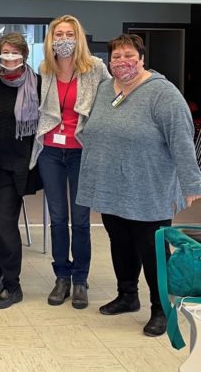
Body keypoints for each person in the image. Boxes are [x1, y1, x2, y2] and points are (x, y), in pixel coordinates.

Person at [77, 33, 201, 336]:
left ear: (142, 58)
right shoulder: (107, 88)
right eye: (116, 56)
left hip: (148, 187)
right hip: (112, 185)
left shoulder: (163, 93)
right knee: (119, 244)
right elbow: (95, 131)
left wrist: (192, 185)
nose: (122, 61)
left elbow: (182, 142)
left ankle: (161, 308)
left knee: (152, 250)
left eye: (129, 55)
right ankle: (127, 296)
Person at [30, 15, 110, 310]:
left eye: (69, 33)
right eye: (58, 34)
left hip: (81, 151)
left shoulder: (95, 69)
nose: (64, 39)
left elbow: (110, 102)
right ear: (51, 38)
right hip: (50, 150)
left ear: (79, 38)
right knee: (58, 218)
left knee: (80, 220)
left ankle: (80, 280)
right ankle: (61, 276)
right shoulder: (44, 69)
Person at [0, 32, 41, 309]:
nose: (9, 57)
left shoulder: (35, 84)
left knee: (5, 225)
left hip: (17, 165)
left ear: (24, 55)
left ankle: (13, 286)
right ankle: (1, 271)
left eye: (14, 52)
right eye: (4, 52)